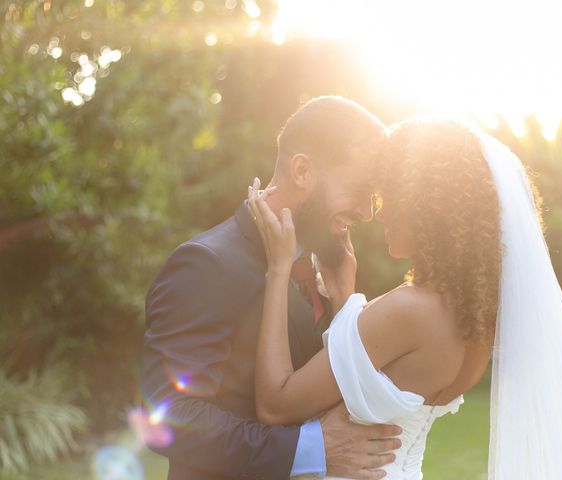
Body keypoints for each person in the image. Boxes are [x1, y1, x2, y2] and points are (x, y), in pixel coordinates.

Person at [248, 119, 562, 479]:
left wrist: (278, 269)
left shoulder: (409, 311)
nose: (377, 214)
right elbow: (372, 385)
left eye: (389, 196)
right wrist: (346, 301)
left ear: (427, 207)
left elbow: (275, 404)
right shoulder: (473, 321)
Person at [140, 96, 402, 480]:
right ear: (301, 171)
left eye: (373, 198)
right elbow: (170, 416)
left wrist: (345, 304)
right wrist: (311, 447)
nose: (367, 212)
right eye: (359, 190)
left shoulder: (322, 261)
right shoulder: (207, 264)